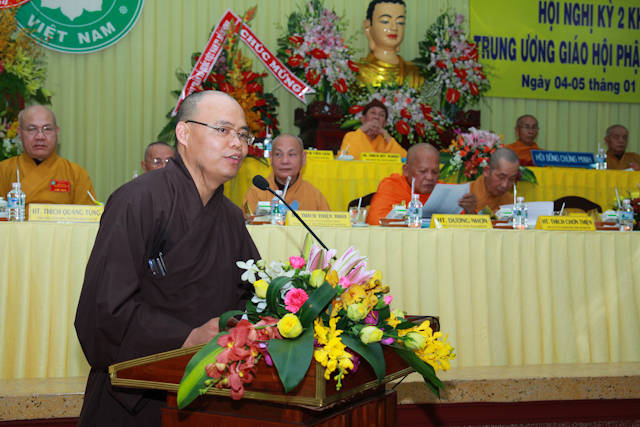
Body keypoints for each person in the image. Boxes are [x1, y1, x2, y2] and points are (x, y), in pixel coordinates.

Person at [75, 91, 260, 426]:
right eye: (223, 130)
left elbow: (250, 296)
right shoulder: (138, 199)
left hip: (210, 391)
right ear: (183, 133)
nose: (237, 143)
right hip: (136, 392)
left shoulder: (231, 216)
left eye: (243, 134)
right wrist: (184, 338)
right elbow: (103, 310)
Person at [0, 105, 96, 209]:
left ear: (57, 132)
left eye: (47, 129)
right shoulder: (4, 170)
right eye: (32, 129)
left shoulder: (76, 174)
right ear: (20, 133)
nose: (40, 136)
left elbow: (87, 216)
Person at [367, 143, 477, 225]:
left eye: (435, 172)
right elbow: (375, 221)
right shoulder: (392, 186)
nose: (430, 177)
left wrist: (470, 210)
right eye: (422, 171)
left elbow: (472, 227)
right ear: (406, 170)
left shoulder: (444, 191)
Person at [242, 133, 330, 215]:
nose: (285, 161)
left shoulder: (314, 196)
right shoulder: (256, 193)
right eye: (278, 154)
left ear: (303, 158)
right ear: (271, 158)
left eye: (291, 154)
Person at [356, 0, 424, 89]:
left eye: (400, 22)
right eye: (385, 21)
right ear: (368, 27)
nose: (394, 27)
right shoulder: (357, 72)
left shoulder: (413, 72)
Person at [339, 99, 407, 160]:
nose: (376, 117)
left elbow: (404, 158)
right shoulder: (351, 136)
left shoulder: (386, 140)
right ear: (363, 119)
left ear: (385, 124)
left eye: (381, 115)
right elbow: (345, 157)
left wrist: (386, 135)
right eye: (373, 113)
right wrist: (362, 129)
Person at [469, 148, 519, 212]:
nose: (505, 185)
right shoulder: (465, 194)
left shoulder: (510, 202)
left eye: (512, 179)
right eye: (501, 177)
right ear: (487, 171)